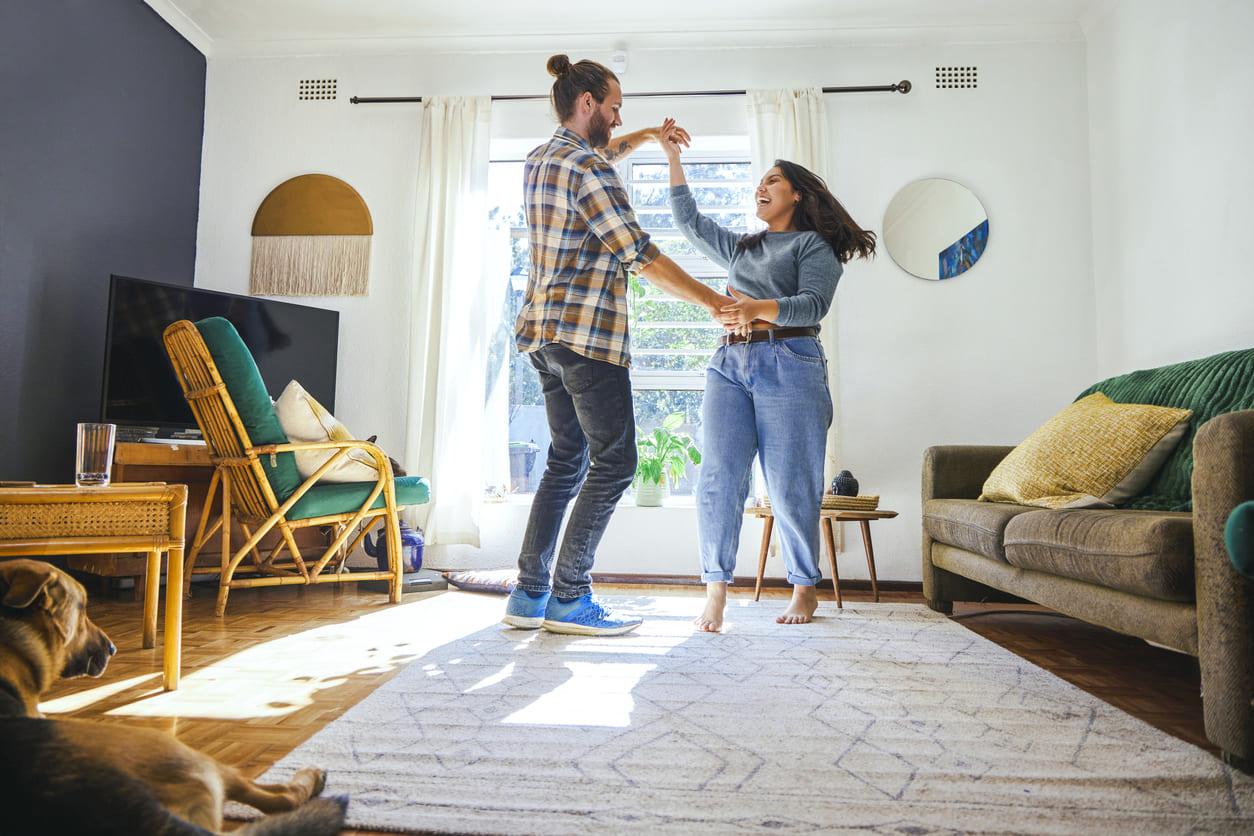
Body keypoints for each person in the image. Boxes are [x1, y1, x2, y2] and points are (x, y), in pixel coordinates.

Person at [503, 55, 731, 637]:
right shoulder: (591, 171)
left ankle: (528, 595)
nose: (617, 115)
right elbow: (640, 254)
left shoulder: (542, 160)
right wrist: (711, 303)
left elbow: (602, 153)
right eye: (613, 107)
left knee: (565, 461)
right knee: (616, 463)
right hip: (587, 339)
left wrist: (651, 136)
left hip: (544, 336)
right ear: (588, 104)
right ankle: (570, 597)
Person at [661, 136, 877, 631]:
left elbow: (813, 305)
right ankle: (716, 590)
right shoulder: (743, 247)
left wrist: (758, 308)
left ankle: (804, 588)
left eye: (772, 181)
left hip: (792, 360)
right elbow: (689, 223)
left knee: (789, 483)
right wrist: (673, 159)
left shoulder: (813, 245)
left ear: (797, 194)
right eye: (760, 182)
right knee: (717, 478)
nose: (761, 187)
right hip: (729, 364)